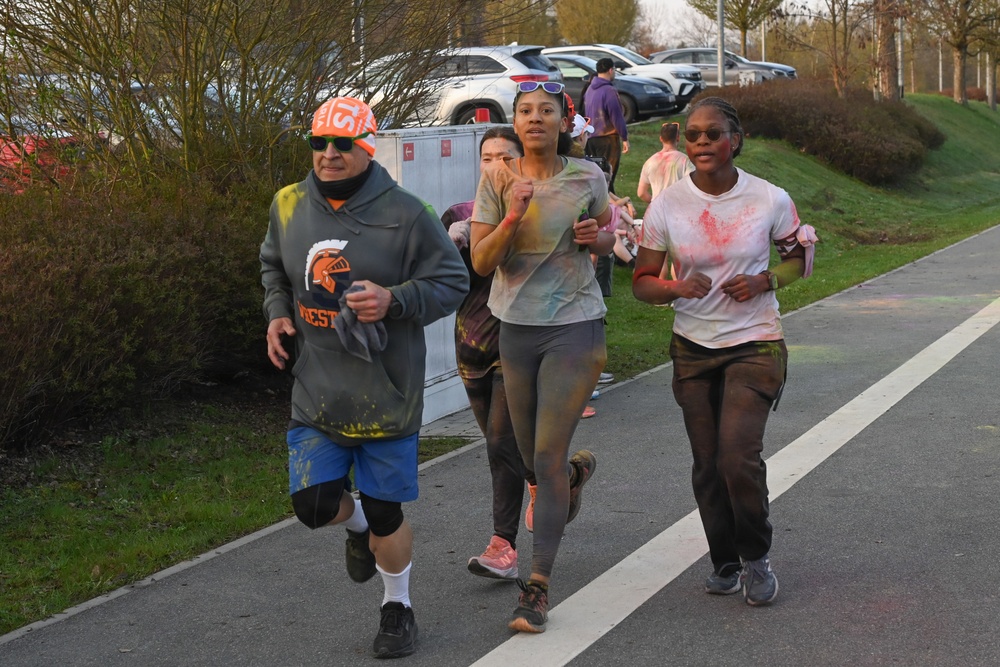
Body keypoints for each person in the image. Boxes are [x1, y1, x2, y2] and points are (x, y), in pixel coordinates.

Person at [259, 96, 469, 658]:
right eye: (319, 143)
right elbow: (274, 268)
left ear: (366, 148)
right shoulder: (287, 204)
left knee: (384, 511)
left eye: (342, 144)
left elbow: (453, 281)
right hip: (317, 385)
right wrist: (277, 312)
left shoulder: (407, 212)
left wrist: (395, 299)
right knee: (314, 505)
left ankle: (396, 606)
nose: (328, 154)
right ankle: (357, 536)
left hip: (386, 391)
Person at [632, 97, 816, 607]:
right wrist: (676, 289)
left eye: (713, 134)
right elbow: (641, 284)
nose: (702, 143)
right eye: (693, 136)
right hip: (693, 348)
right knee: (707, 463)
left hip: (756, 342)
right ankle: (724, 561)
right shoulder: (668, 204)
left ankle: (756, 557)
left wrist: (762, 280)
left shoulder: (769, 199)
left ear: (735, 139)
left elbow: (798, 261)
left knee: (738, 456)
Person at [469, 80, 616, 633]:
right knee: (531, 458)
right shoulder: (497, 179)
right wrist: (511, 215)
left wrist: (593, 236)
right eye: (525, 111)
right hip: (516, 329)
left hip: (575, 325)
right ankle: (571, 480)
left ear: (562, 121)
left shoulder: (587, 176)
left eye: (545, 111)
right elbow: (483, 264)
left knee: (546, 457)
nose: (534, 119)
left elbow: (608, 238)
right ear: (516, 121)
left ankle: (537, 586)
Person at [440, 126, 527, 581]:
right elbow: (445, 282)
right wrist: (451, 245)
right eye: (487, 157)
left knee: (500, 445)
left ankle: (503, 547)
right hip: (471, 345)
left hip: (518, 346)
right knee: (512, 450)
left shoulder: (537, 210)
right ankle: (562, 475)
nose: (495, 165)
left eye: (505, 157)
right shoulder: (457, 214)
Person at [583, 57, 630, 194]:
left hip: (591, 138)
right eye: (614, 70)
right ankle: (609, 210)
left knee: (598, 178)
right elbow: (617, 116)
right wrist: (625, 137)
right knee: (607, 179)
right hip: (607, 139)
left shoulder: (590, 89)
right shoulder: (609, 91)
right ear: (610, 70)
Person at [637, 121, 693, 204]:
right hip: (678, 208)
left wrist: (655, 204)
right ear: (678, 138)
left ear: (661, 139)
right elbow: (692, 188)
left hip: (657, 212)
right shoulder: (685, 161)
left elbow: (641, 193)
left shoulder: (649, 162)